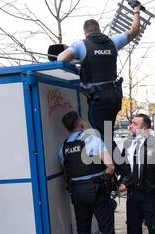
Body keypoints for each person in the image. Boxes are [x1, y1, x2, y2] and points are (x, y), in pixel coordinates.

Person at [58, 111, 125, 234]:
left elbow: (67, 171)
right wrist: (105, 178)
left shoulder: (63, 147)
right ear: (80, 123)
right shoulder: (92, 140)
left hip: (77, 193)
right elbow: (110, 167)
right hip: (96, 190)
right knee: (107, 232)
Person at [56, 4, 142, 141]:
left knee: (102, 139)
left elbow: (61, 58)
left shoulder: (81, 45)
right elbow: (135, 30)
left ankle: (115, 163)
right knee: (107, 136)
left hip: (99, 100)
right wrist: (136, 9)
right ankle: (112, 161)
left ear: (85, 33)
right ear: (99, 29)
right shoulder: (113, 42)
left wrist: (78, 57)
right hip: (114, 98)